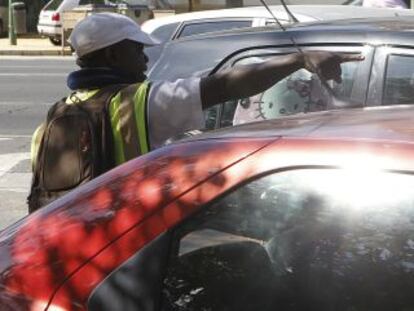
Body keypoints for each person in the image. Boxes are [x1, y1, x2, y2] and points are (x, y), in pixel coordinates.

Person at [28, 12, 363, 212]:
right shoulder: (138, 102)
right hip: (122, 241)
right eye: (137, 50)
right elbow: (224, 86)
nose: (145, 59)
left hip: (69, 235)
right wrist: (299, 59)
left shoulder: (56, 115)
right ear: (113, 56)